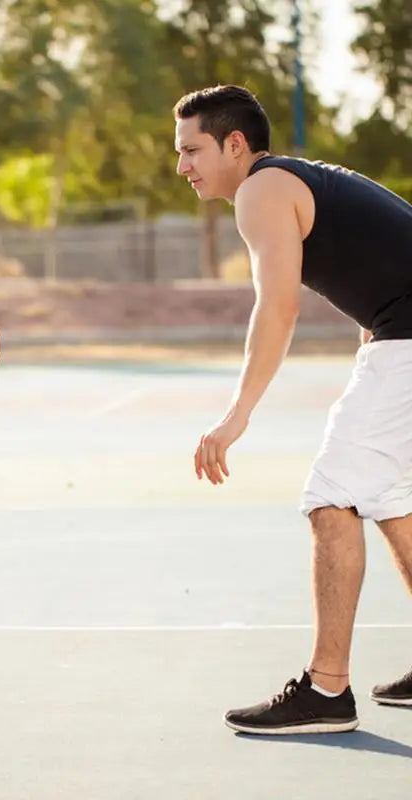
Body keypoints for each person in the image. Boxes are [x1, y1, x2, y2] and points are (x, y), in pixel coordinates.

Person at [174, 84, 412, 735]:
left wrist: (236, 414)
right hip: (401, 337)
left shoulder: (261, 190)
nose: (182, 166)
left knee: (332, 498)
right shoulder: (296, 181)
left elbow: (278, 306)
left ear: (234, 144)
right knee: (389, 497)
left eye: (192, 149)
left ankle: (327, 691)